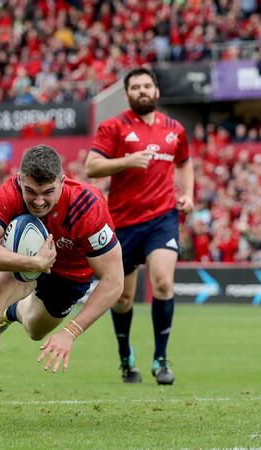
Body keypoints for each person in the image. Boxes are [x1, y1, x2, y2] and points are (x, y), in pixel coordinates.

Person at [0, 145, 124, 429]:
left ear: (62, 181)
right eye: (31, 192)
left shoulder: (87, 206)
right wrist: (31, 262)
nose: (38, 202)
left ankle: (12, 312)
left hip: (70, 276)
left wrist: (71, 333)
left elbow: (114, 280)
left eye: (48, 192)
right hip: (28, 261)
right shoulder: (11, 191)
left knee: (36, 328)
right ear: (20, 179)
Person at [85, 67, 194, 385]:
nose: (143, 91)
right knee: (122, 298)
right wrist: (126, 161)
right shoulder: (114, 126)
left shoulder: (175, 128)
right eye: (136, 87)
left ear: (157, 91)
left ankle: (161, 359)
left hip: (162, 219)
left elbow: (184, 163)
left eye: (148, 86)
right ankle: (125, 357)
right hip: (123, 222)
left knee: (163, 283)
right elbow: (92, 166)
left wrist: (186, 194)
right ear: (128, 93)